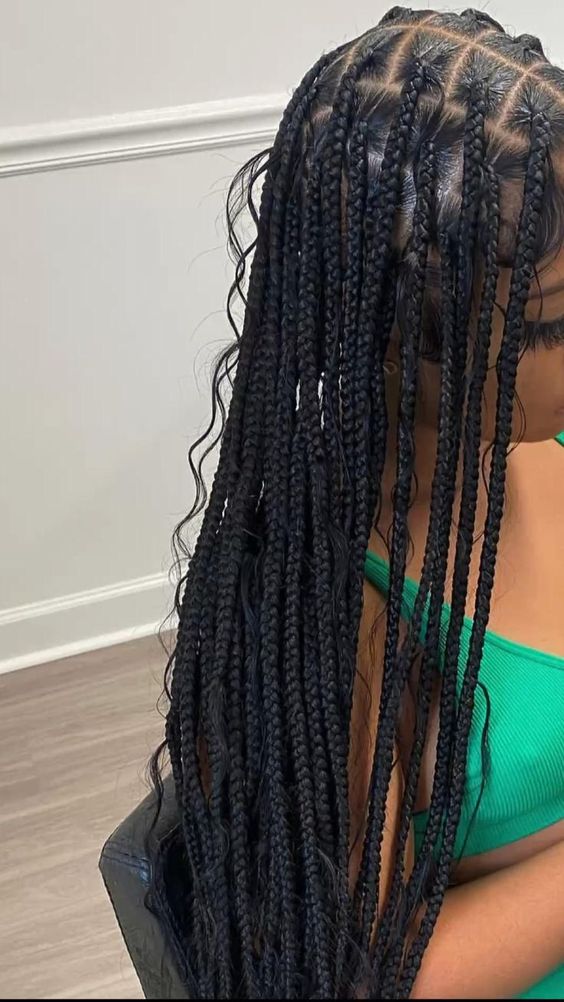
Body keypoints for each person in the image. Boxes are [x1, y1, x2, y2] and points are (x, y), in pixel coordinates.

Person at [152, 7, 564, 998]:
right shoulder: (328, 619)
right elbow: (368, 975)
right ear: (435, 342)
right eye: (560, 320)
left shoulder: (542, 433)